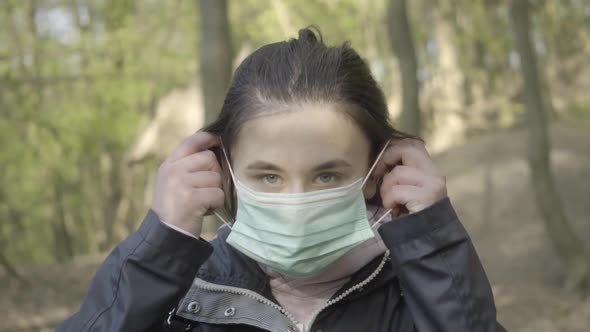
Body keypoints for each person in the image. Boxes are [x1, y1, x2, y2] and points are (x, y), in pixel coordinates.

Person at [57, 27, 505, 332]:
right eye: (268, 176)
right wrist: (162, 245)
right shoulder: (183, 297)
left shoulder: (421, 292)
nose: (295, 204)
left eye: (327, 174)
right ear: (223, 170)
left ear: (378, 172)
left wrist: (432, 241)